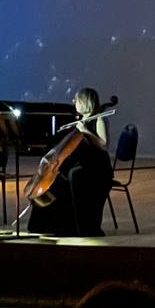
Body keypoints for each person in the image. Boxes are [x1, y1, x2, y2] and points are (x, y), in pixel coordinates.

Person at [28, 87, 112, 237]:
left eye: (76, 99)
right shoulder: (80, 120)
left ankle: (77, 227)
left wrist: (85, 131)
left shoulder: (99, 119)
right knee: (65, 178)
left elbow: (103, 145)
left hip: (97, 167)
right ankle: (50, 225)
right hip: (84, 165)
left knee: (73, 176)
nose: (73, 102)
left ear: (85, 101)